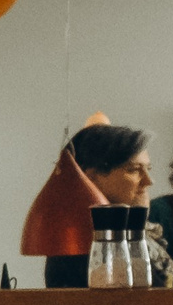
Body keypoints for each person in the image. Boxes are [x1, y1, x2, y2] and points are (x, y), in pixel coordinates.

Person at [44, 123, 153, 288]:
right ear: (91, 178)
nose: (148, 181)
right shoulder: (78, 245)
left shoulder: (144, 239)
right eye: (134, 170)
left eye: (148, 169)